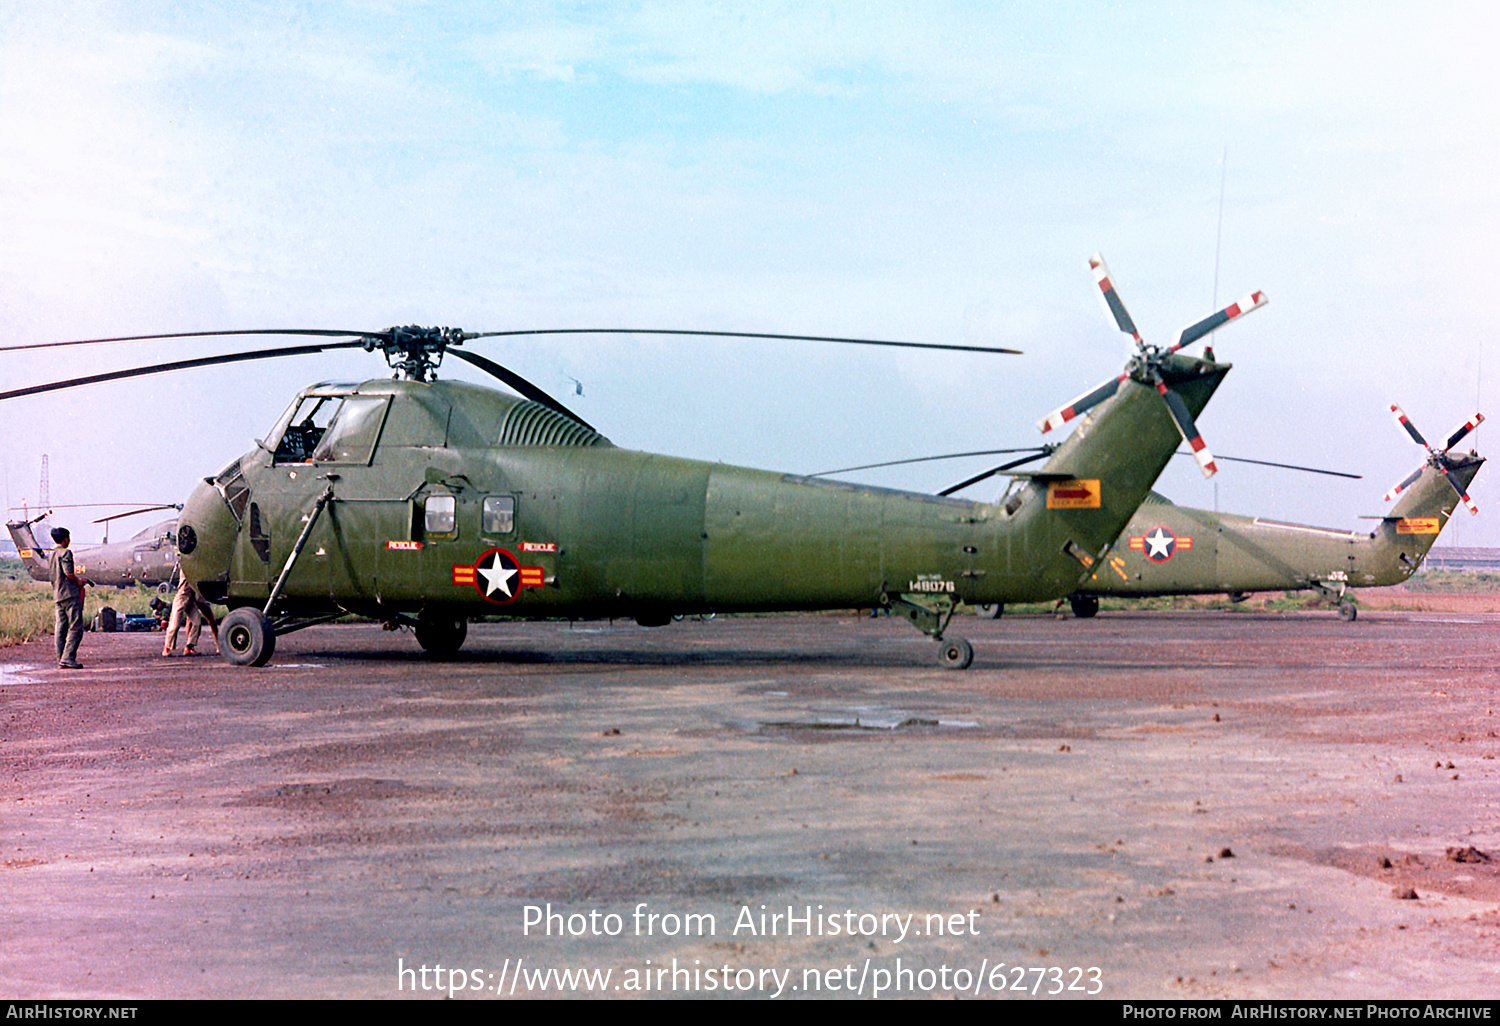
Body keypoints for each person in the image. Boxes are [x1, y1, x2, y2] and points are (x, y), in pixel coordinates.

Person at [48, 527, 86, 669]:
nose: (69, 541)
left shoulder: (51, 555)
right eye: (68, 538)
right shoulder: (66, 553)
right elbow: (69, 573)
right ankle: (68, 657)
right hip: (69, 595)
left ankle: (61, 658)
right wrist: (78, 581)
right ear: (64, 539)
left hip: (58, 595)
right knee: (76, 627)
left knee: (60, 628)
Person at [162, 578, 220, 656]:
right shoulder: (187, 569)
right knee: (174, 625)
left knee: (197, 622)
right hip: (182, 598)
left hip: (191, 599)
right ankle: (166, 648)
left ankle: (190, 646)